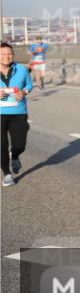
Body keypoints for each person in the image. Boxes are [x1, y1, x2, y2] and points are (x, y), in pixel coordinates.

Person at [1, 42, 33, 187]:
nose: (7, 57)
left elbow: (29, 85)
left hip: (18, 112)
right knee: (1, 145)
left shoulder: (21, 69)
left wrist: (24, 92)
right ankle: (7, 174)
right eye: (3, 54)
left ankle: (15, 156)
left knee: (20, 144)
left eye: (9, 53)